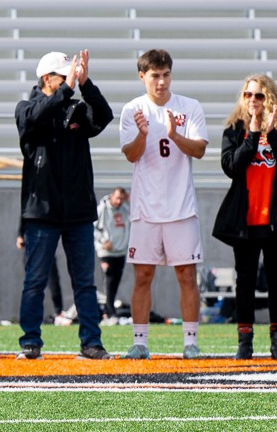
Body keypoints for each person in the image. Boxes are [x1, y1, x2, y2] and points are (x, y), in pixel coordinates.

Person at [17, 49, 113, 360]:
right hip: (41, 211)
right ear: (47, 78)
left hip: (78, 211)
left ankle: (91, 342)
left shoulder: (76, 109)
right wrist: (68, 89)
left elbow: (104, 116)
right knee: (35, 281)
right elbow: (36, 118)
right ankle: (30, 341)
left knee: (85, 283)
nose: (70, 80)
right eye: (64, 75)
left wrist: (86, 84)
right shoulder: (26, 108)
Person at [117, 49, 209, 360]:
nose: (161, 81)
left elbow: (199, 150)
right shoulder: (133, 109)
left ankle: (190, 343)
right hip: (146, 208)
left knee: (187, 275)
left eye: (166, 75)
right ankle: (140, 343)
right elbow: (131, 154)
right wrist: (143, 135)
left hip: (181, 207)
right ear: (142, 76)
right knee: (143, 275)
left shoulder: (189, 107)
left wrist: (174, 135)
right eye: (155, 75)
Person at [213, 74, 277, 360]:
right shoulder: (234, 129)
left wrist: (272, 134)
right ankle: (245, 343)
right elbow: (231, 167)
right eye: (248, 95)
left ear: (269, 99)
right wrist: (252, 135)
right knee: (245, 282)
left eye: (259, 95)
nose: (252, 100)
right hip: (245, 219)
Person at [95, 187, 131, 318]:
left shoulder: (125, 209)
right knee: (109, 279)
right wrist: (103, 241)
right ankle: (109, 311)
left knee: (116, 281)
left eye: (121, 198)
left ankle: (110, 309)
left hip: (120, 251)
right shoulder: (102, 209)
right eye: (117, 198)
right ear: (111, 196)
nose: (119, 201)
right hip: (106, 252)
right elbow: (93, 227)